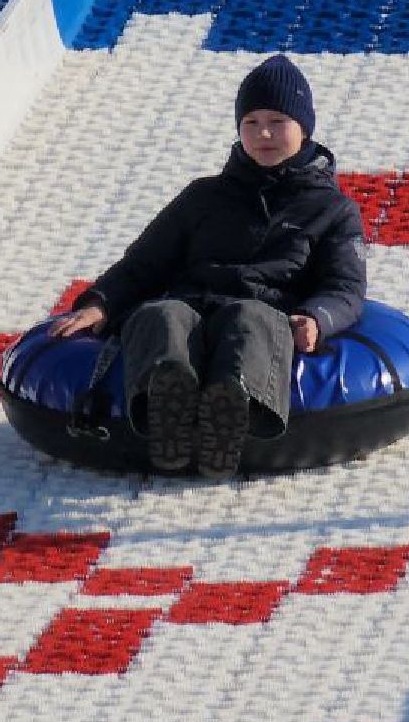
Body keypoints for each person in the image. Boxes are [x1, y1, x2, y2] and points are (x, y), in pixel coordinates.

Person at [52, 54, 366, 477]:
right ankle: (168, 411)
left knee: (250, 318)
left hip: (268, 312)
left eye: (278, 120)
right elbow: (145, 263)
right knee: (159, 314)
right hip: (194, 306)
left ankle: (233, 413)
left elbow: (345, 287)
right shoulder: (203, 196)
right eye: (251, 122)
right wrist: (100, 304)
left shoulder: (332, 210)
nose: (264, 133)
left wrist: (315, 318)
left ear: (304, 127)